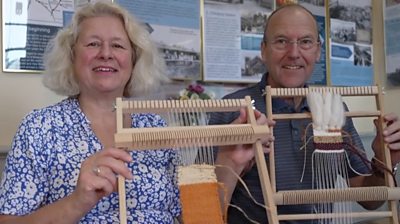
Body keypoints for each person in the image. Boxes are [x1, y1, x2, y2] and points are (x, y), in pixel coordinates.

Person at [211, 4, 400, 223]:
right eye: (281, 41)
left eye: (306, 42)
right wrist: (232, 164)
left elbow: (370, 201)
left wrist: (383, 159)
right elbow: (202, 207)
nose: (294, 53)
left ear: (318, 51)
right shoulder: (231, 109)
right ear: (263, 50)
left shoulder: (333, 108)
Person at [0, 2, 181, 223]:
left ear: (134, 60)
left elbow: (189, 213)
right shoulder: (40, 128)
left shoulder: (155, 126)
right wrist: (77, 202)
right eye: (93, 44)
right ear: (71, 56)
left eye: (118, 46)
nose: (106, 54)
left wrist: (230, 160)